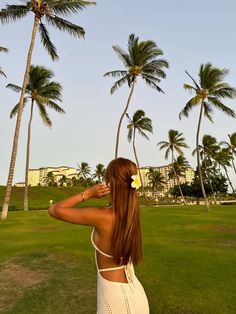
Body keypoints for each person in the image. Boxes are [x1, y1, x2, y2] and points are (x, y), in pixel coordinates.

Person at [48, 157, 149, 314]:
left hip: (116, 302)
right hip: (136, 294)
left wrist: (87, 194)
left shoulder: (103, 216)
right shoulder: (131, 214)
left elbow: (54, 210)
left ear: (110, 184)